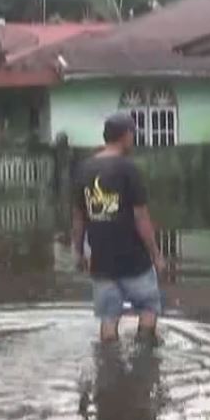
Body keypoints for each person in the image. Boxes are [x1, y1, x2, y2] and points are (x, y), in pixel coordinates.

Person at [71, 112, 167, 342]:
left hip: (101, 261)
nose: (133, 138)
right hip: (134, 259)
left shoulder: (83, 170)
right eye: (132, 133)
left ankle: (108, 365)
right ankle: (144, 359)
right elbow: (140, 217)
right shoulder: (128, 169)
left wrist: (78, 251)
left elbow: (78, 218)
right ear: (125, 136)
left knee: (108, 317)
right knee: (148, 307)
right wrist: (156, 254)